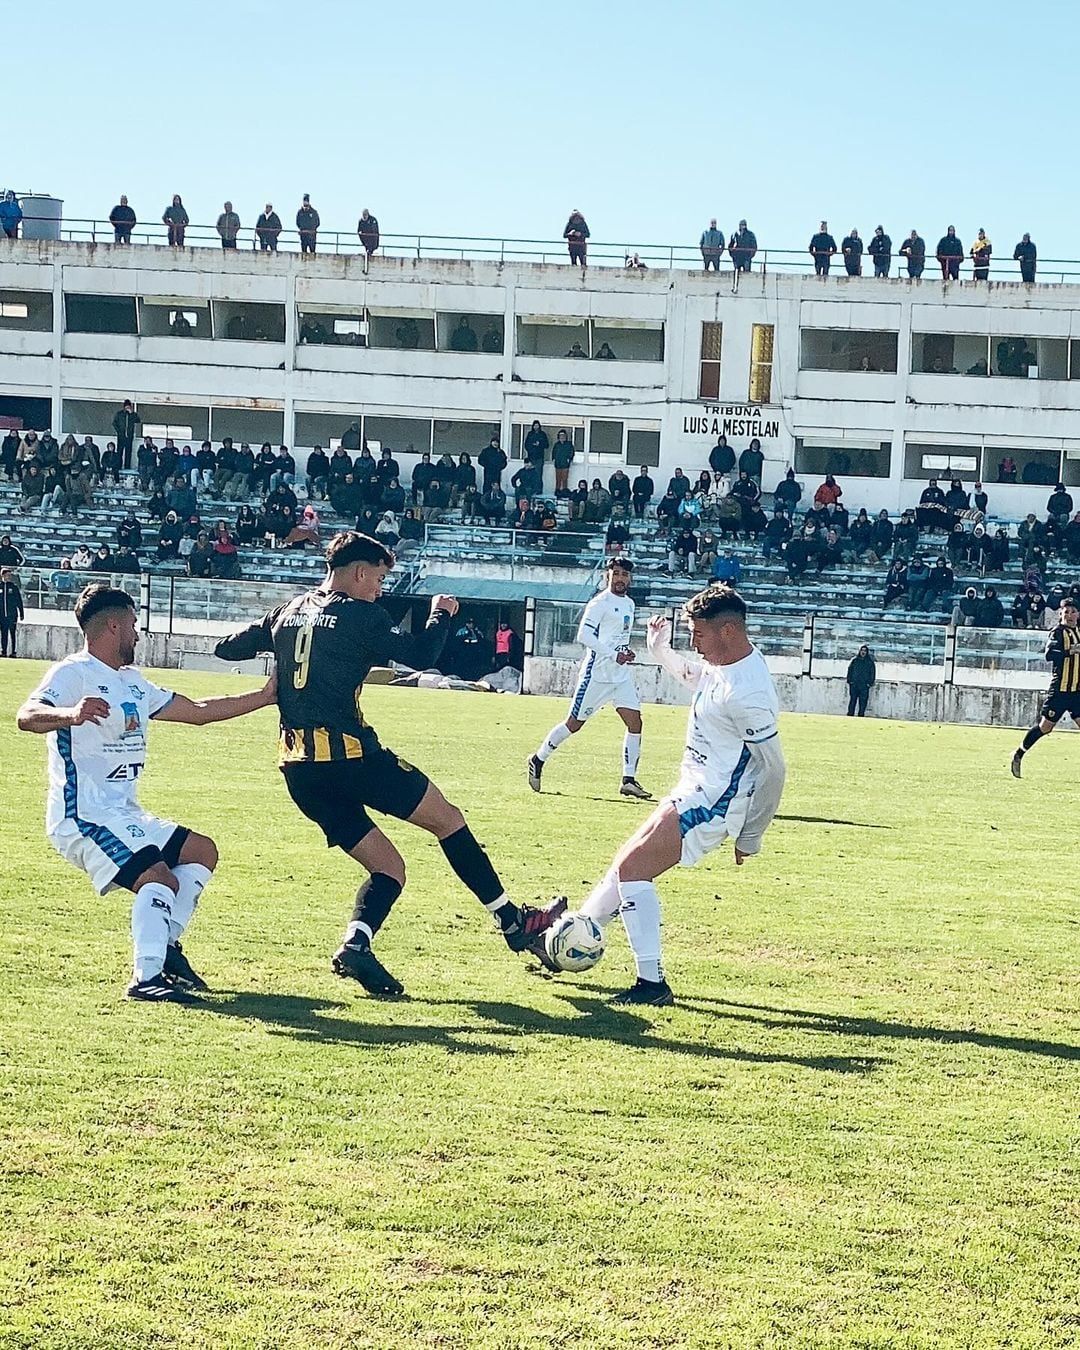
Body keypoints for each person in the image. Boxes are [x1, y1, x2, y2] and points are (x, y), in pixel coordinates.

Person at [214, 532, 563, 995]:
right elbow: (422, 654)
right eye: (378, 578)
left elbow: (226, 648)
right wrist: (442, 613)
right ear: (359, 573)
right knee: (448, 821)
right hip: (352, 758)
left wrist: (280, 652)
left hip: (299, 769)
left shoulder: (288, 611)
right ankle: (512, 922)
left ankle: (355, 947)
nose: (380, 589)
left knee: (389, 869)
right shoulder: (361, 615)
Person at [15, 584, 277, 1002]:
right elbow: (26, 716)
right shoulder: (73, 672)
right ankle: (146, 978)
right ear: (114, 626)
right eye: (134, 626)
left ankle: (166, 947)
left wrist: (266, 697)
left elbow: (199, 713)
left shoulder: (132, 683)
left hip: (124, 813)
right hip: (83, 815)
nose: (138, 635)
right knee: (158, 878)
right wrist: (69, 714)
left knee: (201, 851)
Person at [565, 586, 784, 1005]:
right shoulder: (724, 663)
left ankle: (652, 985)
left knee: (633, 871)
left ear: (728, 631)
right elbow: (695, 678)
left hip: (716, 803)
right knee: (626, 860)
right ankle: (576, 936)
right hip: (693, 788)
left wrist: (751, 836)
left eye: (698, 635)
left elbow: (774, 770)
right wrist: (660, 650)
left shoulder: (748, 692)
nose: (694, 644)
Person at [529, 557, 651, 801]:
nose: (620, 578)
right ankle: (538, 758)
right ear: (607, 576)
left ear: (630, 578)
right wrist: (613, 654)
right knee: (574, 724)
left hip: (619, 676)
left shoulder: (628, 603)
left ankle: (628, 780)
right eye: (615, 573)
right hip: (597, 675)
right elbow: (584, 635)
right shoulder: (600, 603)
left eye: (624, 574)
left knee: (635, 723)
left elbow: (616, 638)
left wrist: (625, 652)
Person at [1011, 598, 1080, 777]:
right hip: (1059, 691)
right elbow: (1049, 655)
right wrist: (1069, 651)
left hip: (1077, 692)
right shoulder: (1057, 632)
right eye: (1066, 612)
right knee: (1045, 727)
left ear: (1078, 615)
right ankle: (1019, 754)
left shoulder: (1079, 632)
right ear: (1060, 614)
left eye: (1073, 612)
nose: (1070, 615)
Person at [846, 645, 875, 717]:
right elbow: (850, 670)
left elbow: (872, 673)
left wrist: (869, 683)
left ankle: (861, 715)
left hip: (864, 685)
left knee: (863, 702)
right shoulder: (855, 661)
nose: (863, 652)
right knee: (853, 700)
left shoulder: (870, 662)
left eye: (865, 651)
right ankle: (850, 714)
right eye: (862, 650)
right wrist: (850, 681)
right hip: (854, 684)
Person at [0, 566, 23, 656]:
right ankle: (3, 651)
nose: (8, 577)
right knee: (4, 633)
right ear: (2, 575)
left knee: (12, 633)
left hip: (12, 615)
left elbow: (19, 601)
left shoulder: (13, 587)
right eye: (6, 575)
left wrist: (21, 613)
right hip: (2, 616)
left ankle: (13, 652)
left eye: (10, 575)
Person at [552, 429, 575, 496]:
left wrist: (569, 459)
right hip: (558, 464)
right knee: (558, 479)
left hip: (565, 464)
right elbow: (554, 453)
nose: (562, 438)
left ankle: (564, 492)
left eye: (563, 436)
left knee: (564, 479)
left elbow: (572, 452)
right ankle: (557, 491)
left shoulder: (569, 444)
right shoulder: (556, 445)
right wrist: (554, 459)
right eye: (560, 436)